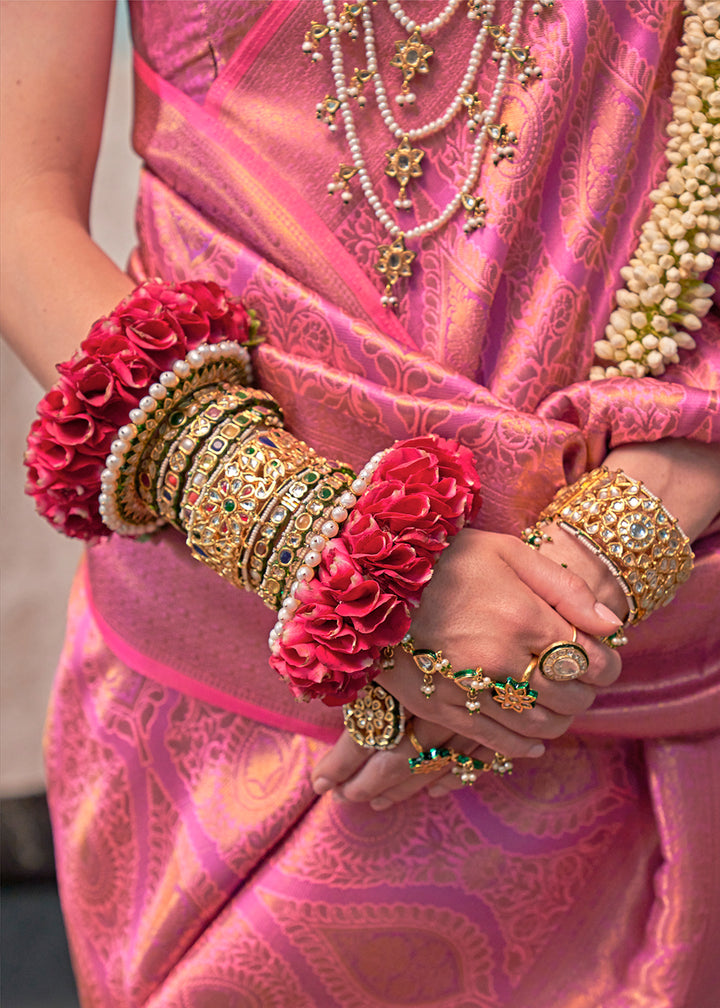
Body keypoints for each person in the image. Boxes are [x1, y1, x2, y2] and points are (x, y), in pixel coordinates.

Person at [1, 0, 719, 1005]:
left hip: (645, 706)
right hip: (217, 705)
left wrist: (588, 569)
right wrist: (321, 548)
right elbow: (15, 200)